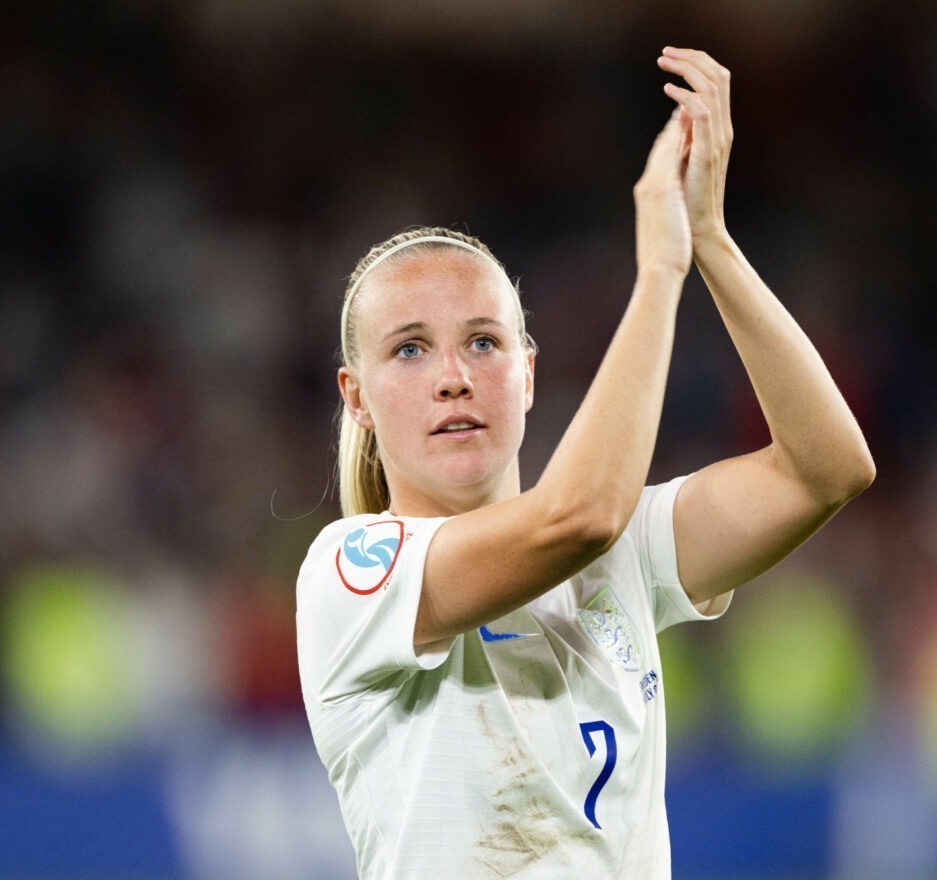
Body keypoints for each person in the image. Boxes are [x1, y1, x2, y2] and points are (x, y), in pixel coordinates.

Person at [296, 47, 875, 879]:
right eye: (411, 349)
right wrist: (658, 273)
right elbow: (575, 518)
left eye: (483, 342)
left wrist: (709, 240)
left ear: (527, 373)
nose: (454, 375)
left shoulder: (627, 550)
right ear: (357, 398)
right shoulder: (354, 575)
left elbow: (826, 468)